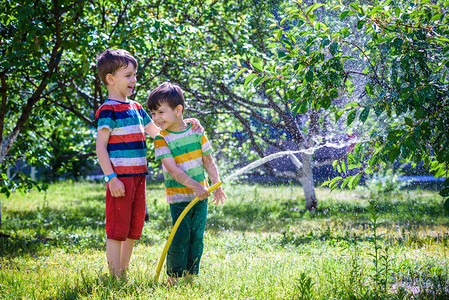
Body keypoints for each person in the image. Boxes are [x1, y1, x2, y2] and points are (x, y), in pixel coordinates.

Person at [95, 49, 202, 279]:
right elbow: (100, 148)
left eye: (135, 74)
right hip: (119, 179)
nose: (134, 80)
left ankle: (123, 272)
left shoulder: (136, 108)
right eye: (128, 75)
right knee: (117, 230)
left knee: (133, 230)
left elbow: (160, 132)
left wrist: (188, 124)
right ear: (110, 79)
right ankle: (115, 277)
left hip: (139, 177)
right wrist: (110, 177)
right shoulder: (108, 110)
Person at [147, 82, 227, 284]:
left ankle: (191, 275)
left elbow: (208, 161)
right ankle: (174, 277)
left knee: (196, 237)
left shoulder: (196, 130)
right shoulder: (161, 139)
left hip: (201, 196)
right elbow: (173, 171)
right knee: (180, 236)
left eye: (160, 112)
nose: (156, 118)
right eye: (153, 114)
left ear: (178, 110)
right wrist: (198, 187)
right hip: (180, 197)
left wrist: (216, 186)